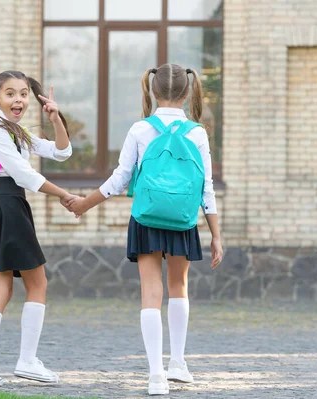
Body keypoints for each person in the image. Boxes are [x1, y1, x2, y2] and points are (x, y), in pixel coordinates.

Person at [67, 63, 223, 396]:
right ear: (186, 91)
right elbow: (206, 189)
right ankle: (178, 364)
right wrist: (217, 236)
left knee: (150, 293)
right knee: (178, 287)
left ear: (152, 91)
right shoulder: (197, 132)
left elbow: (120, 179)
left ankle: (156, 375)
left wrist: (85, 203)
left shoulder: (140, 129)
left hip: (146, 217)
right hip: (182, 219)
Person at [0, 70, 76, 386]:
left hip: (0, 206)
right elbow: (24, 175)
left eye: (24, 93)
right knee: (37, 282)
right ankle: (25, 361)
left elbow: (61, 152)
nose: (19, 100)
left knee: (3, 288)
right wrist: (65, 195)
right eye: (11, 93)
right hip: (4, 205)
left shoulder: (16, 131)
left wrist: (56, 117)